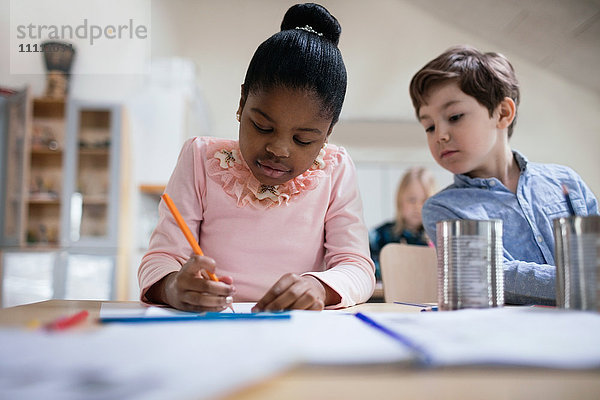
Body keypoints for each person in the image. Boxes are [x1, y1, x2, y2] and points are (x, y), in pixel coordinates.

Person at [138, 3, 375, 313]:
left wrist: (319, 286)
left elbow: (357, 266)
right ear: (242, 103)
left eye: (303, 139)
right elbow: (160, 259)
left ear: (327, 133)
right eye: (262, 126)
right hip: (210, 330)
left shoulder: (335, 169)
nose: (278, 149)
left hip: (297, 335)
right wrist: (172, 286)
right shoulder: (201, 159)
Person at [408, 45, 599, 305]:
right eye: (429, 126)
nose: (439, 134)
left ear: (502, 113)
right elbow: (494, 276)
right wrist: (585, 280)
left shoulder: (566, 181)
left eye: (454, 116)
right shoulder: (442, 208)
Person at [369, 167, 436, 280]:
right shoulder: (378, 236)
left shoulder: (437, 238)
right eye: (412, 200)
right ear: (400, 201)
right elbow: (370, 269)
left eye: (424, 200)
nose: (418, 207)